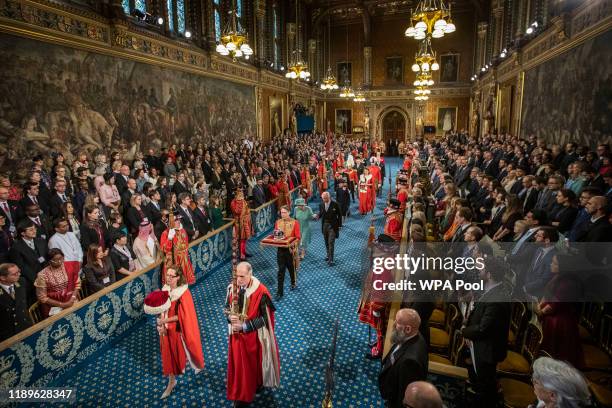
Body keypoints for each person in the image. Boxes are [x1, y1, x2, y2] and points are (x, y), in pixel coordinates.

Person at [226, 262, 280, 406]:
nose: (239, 280)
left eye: (242, 276)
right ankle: (241, 394)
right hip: (236, 336)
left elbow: (265, 319)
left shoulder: (261, 292)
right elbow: (227, 307)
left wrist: (244, 326)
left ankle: (252, 389)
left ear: (250, 274)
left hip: (253, 337)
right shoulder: (232, 288)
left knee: (253, 365)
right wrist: (229, 318)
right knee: (239, 366)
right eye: (237, 276)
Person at [461, 258, 511, 408]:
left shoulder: (497, 298)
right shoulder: (492, 289)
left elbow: (484, 328)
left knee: (485, 386)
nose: (479, 271)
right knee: (481, 382)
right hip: (481, 345)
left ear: (489, 274)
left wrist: (464, 331)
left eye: (482, 270)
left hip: (487, 349)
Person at [153, 266, 205, 399]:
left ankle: (191, 363)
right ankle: (171, 381)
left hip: (176, 328)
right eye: (167, 275)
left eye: (171, 276)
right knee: (167, 354)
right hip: (164, 327)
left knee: (178, 352)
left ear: (178, 277)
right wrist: (160, 320)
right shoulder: (165, 289)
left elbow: (182, 317)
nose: (168, 278)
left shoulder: (183, 294)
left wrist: (165, 321)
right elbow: (161, 308)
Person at [378, 308, 429, 408]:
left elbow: (403, 395)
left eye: (397, 322)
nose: (393, 324)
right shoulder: (412, 334)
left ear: (408, 329)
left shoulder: (410, 363)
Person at [35, 248, 81, 318]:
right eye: (56, 260)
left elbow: (77, 284)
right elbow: (42, 297)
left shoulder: (70, 266)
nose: (59, 261)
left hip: (72, 300)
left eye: (61, 258)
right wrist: (62, 304)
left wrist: (73, 298)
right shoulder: (42, 275)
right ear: (49, 261)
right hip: (55, 307)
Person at [274, 205, 301, 299]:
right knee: (280, 271)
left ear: (289, 212)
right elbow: (276, 235)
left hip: (291, 250)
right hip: (280, 250)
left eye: (285, 212)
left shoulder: (295, 222)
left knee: (291, 268)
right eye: (281, 212)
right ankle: (279, 292)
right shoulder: (277, 222)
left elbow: (298, 237)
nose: (283, 214)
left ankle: (293, 282)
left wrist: (293, 245)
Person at [0, 263, 32, 341]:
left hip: (26, 326)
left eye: (19, 271)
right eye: (15, 274)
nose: (19, 274)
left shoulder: (22, 281)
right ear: (3, 277)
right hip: (9, 334)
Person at [160, 214, 196, 285]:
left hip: (182, 260)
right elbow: (164, 249)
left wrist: (181, 253)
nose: (179, 221)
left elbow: (185, 245)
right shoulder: (165, 233)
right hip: (171, 261)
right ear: (171, 222)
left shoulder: (182, 230)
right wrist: (169, 239)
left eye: (179, 220)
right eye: (176, 220)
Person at [315, 192, 342, 266]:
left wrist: (340, 225)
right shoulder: (321, 205)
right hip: (324, 226)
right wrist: (317, 216)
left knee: (331, 242)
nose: (324, 200)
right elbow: (321, 213)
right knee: (326, 242)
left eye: (325, 198)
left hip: (333, 226)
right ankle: (328, 254)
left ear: (329, 197)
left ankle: (331, 259)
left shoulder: (335, 204)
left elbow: (339, 215)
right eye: (323, 198)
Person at [230, 189, 253, 261]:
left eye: (242, 195)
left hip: (245, 222)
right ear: (236, 196)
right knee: (241, 239)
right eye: (240, 195)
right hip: (239, 224)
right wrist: (239, 202)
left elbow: (247, 209)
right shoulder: (233, 202)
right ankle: (241, 255)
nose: (242, 197)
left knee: (244, 239)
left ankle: (244, 252)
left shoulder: (243, 201)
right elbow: (237, 211)